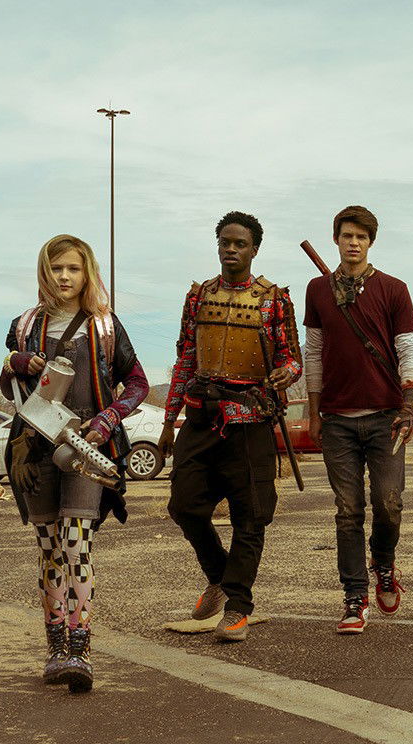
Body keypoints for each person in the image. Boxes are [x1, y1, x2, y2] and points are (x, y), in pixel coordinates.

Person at [0, 234, 150, 691]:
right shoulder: (24, 325)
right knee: (48, 549)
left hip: (88, 448)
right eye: (56, 268)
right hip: (34, 448)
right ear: (44, 272)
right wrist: (16, 363)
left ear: (88, 274)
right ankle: (56, 649)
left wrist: (107, 420)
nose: (64, 277)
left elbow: (138, 384)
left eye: (73, 269)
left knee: (76, 546)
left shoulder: (105, 326)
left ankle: (81, 650)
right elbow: (10, 391)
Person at [158, 211, 301, 642]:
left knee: (251, 516)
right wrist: (169, 420)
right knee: (184, 505)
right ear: (218, 245)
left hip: (250, 419)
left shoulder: (275, 299)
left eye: (240, 243)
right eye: (225, 241)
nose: (231, 249)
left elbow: (291, 357)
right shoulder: (198, 296)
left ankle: (237, 605)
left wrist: (285, 374)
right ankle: (219, 576)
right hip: (201, 416)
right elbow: (185, 356)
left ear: (254, 249)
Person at [303, 206, 413, 634]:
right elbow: (313, 353)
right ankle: (355, 597)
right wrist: (315, 411)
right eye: (346, 236)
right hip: (336, 418)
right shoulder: (317, 290)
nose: (353, 243)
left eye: (361, 237)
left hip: (387, 416)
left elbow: (408, 347)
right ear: (336, 239)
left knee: (389, 504)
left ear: (371, 242)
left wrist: (408, 405)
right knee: (347, 510)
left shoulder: (394, 289)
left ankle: (384, 563)